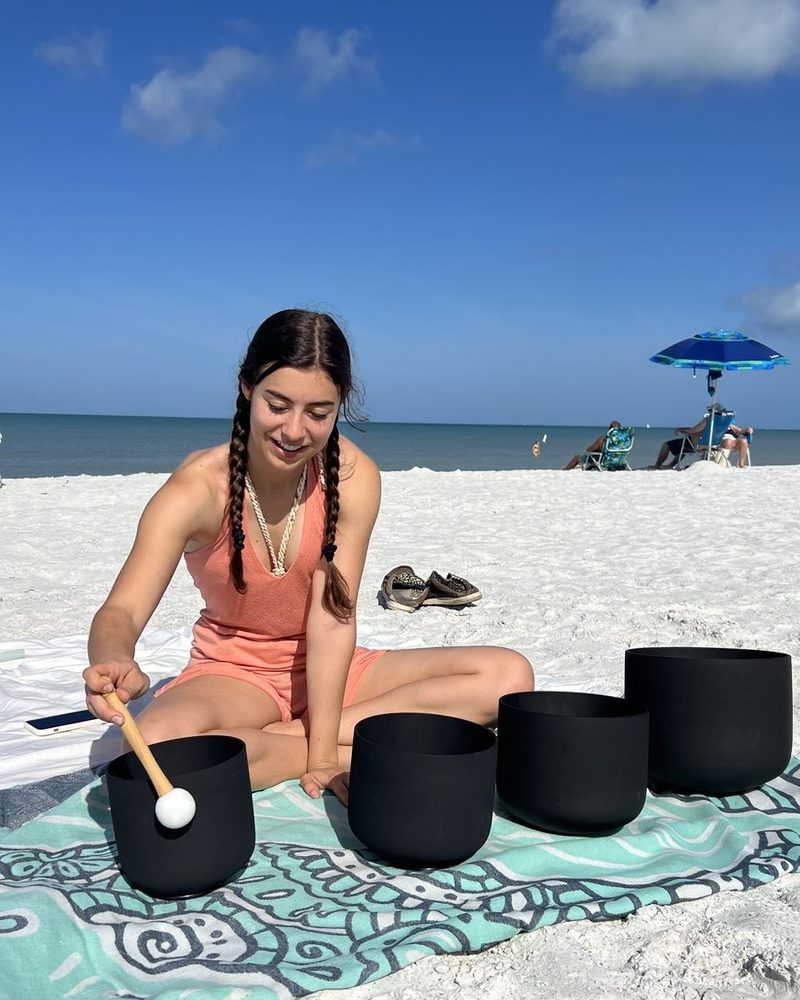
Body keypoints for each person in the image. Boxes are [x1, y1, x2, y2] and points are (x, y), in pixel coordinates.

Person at [83, 309, 533, 804]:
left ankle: (299, 739)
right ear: (246, 388)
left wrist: (319, 745)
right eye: (278, 405)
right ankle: (350, 745)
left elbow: (333, 620)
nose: (295, 431)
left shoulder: (354, 477)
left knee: (508, 676)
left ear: (339, 406)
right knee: (158, 745)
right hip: (234, 674)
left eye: (319, 413)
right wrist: (112, 657)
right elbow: (121, 610)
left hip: (334, 670)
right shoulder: (195, 491)